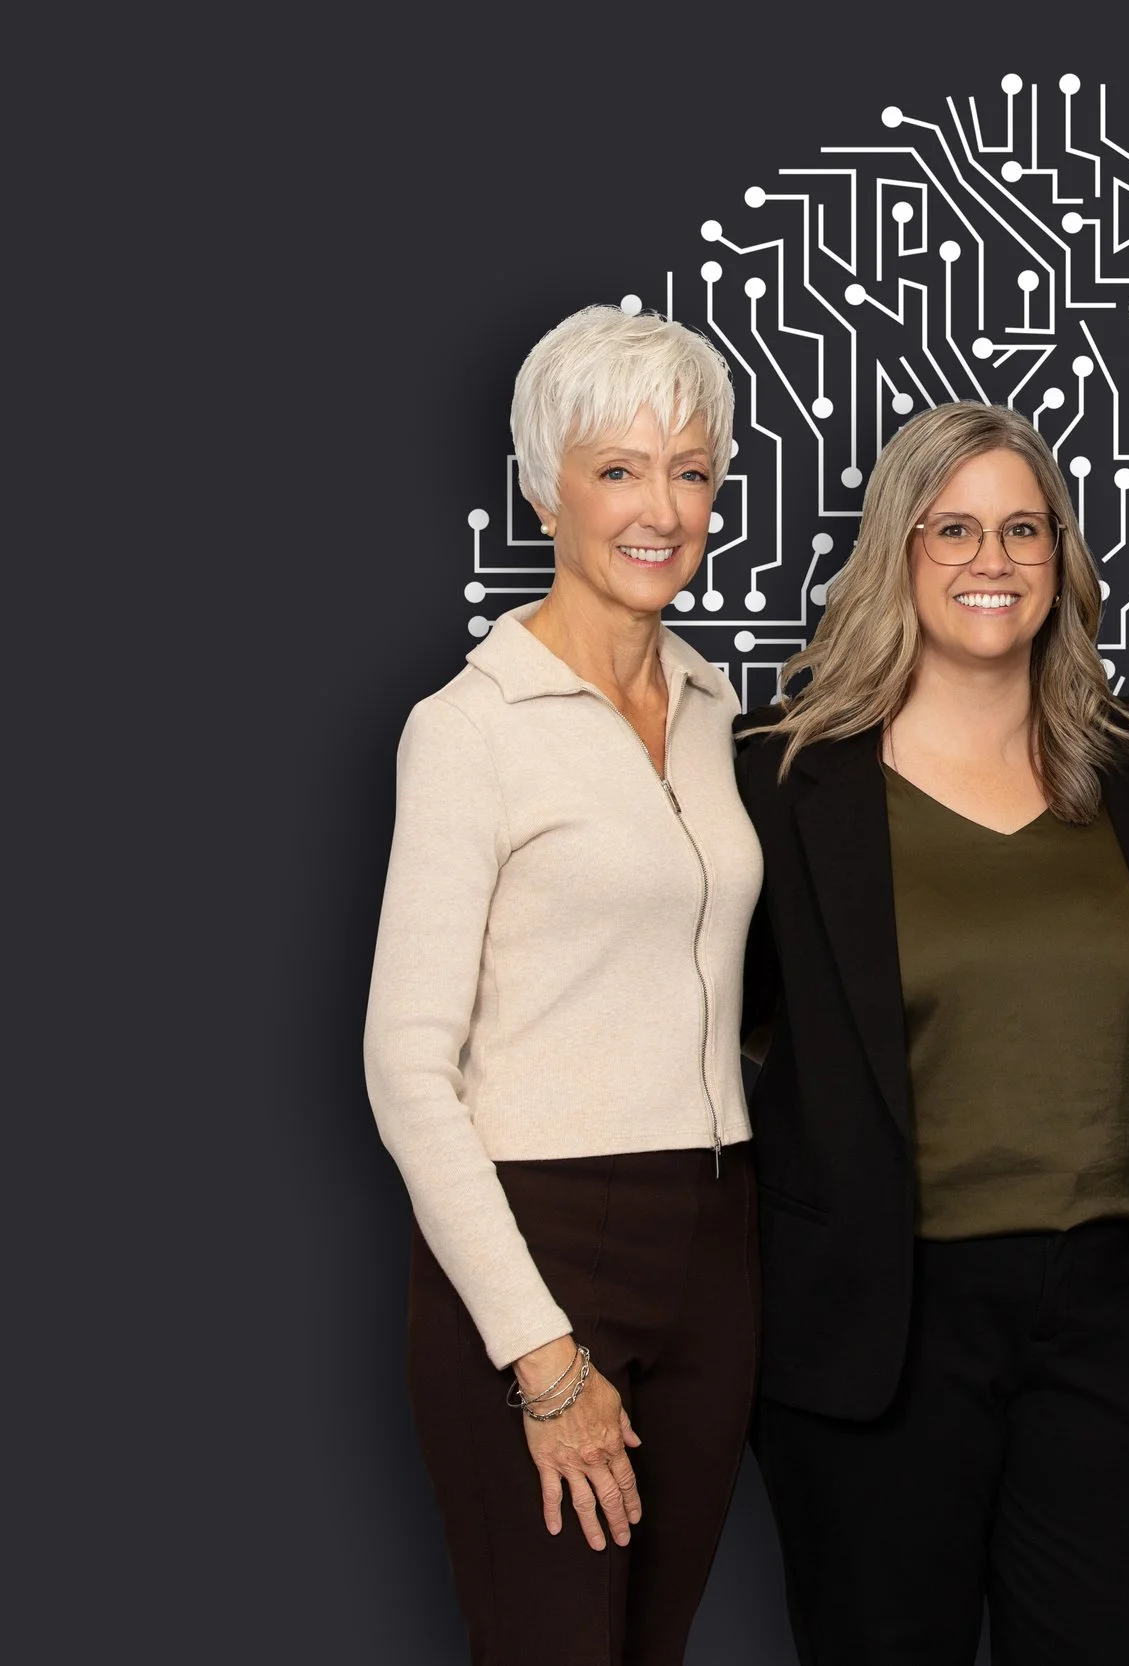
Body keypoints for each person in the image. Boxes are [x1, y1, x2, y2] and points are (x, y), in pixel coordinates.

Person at [734, 401, 1129, 1665]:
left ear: (1062, 558)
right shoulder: (780, 782)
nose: (990, 559)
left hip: (1105, 1317)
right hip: (878, 1321)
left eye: (1020, 529)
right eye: (953, 529)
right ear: (897, 550)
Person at [363, 305, 761, 1665]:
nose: (663, 508)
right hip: (540, 1239)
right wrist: (541, 1356)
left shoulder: (718, 711)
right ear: (545, 485)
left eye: (692, 470)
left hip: (717, 1236)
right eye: (619, 470)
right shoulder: (468, 729)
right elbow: (406, 1067)